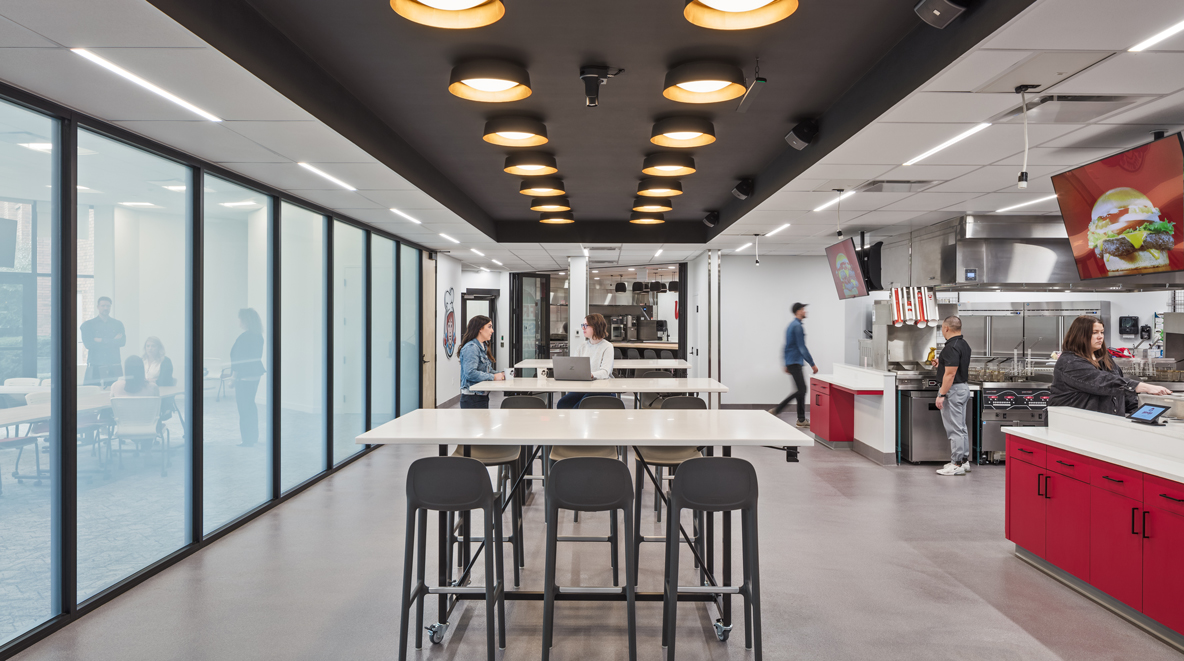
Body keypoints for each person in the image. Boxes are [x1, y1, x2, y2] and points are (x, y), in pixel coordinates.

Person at [1051, 315, 1170, 415]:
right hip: (1075, 426)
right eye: (1094, 333)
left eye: (1102, 332)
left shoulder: (1104, 358)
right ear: (1080, 335)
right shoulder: (1070, 362)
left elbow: (1119, 385)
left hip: (1107, 424)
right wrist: (1142, 386)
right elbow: (1103, 382)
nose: (1100, 336)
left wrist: (1137, 412)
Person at [933, 316, 973, 476]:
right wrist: (940, 364)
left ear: (946, 328)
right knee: (961, 428)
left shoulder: (951, 347)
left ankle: (956, 464)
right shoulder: (963, 344)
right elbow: (952, 366)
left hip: (953, 390)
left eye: (942, 328)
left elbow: (950, 375)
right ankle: (963, 461)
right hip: (963, 388)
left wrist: (941, 394)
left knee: (954, 430)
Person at [770, 302, 818, 427]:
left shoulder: (791, 325)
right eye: (803, 309)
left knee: (800, 390)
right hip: (795, 361)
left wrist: (786, 363)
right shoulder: (797, 326)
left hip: (793, 361)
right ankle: (778, 409)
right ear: (798, 311)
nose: (805, 311)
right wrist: (812, 364)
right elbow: (802, 347)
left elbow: (786, 346)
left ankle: (801, 419)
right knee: (802, 389)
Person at [557, 313, 615, 409]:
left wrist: (591, 375)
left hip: (601, 388)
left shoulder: (607, 347)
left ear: (596, 327)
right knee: (562, 404)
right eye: (582, 325)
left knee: (578, 407)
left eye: (586, 325)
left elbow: (605, 372)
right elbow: (573, 366)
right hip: (584, 386)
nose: (583, 328)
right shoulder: (582, 346)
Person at [230, 308, 266, 447]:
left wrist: (233, 378)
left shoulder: (244, 337)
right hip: (255, 375)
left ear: (245, 320)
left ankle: (247, 440)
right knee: (250, 406)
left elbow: (239, 360)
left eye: (239, 318)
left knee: (244, 408)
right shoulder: (258, 336)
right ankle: (253, 437)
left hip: (244, 377)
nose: (238, 321)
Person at [459, 315, 503, 409]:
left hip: (481, 396)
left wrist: (500, 374)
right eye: (489, 326)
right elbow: (470, 373)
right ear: (480, 329)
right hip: (472, 399)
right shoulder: (471, 348)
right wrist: (494, 377)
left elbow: (487, 370)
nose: (492, 330)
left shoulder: (482, 346)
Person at [81, 296, 126, 388]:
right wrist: (113, 340)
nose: (106, 308)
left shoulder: (117, 324)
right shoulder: (88, 325)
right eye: (103, 306)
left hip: (113, 365)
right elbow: (89, 345)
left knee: (112, 392)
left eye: (108, 306)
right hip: (95, 364)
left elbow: (122, 342)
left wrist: (101, 340)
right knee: (91, 394)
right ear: (98, 307)